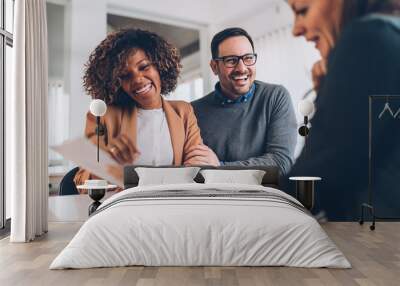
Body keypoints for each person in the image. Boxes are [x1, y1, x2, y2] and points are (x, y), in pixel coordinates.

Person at [287, 0, 400, 220]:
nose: (296, 29)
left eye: (302, 11)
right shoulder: (391, 33)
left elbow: (313, 180)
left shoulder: (368, 37)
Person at [73, 29, 203, 190]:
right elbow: (82, 181)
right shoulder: (103, 116)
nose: (138, 79)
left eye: (144, 67)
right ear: (116, 83)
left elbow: (196, 166)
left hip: (172, 203)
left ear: (160, 66)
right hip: (126, 207)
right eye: (125, 76)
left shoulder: (184, 112)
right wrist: (111, 165)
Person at [189, 28, 297, 176]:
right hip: (212, 198)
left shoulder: (275, 97)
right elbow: (193, 170)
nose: (241, 68)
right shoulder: (193, 111)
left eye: (248, 58)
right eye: (231, 60)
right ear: (214, 67)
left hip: (262, 198)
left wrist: (219, 167)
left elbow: (281, 163)